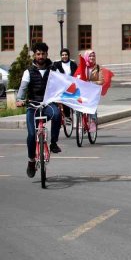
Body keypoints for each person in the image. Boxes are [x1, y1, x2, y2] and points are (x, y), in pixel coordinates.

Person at [16, 42, 63, 178]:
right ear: (34, 55)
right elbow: (23, 88)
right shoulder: (28, 71)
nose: (41, 56)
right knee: (31, 135)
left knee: (57, 114)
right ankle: (31, 160)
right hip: (33, 105)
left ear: (47, 54)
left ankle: (53, 142)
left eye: (43, 53)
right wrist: (19, 99)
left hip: (48, 103)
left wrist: (61, 99)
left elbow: (62, 85)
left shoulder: (54, 69)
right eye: (38, 54)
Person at [52, 48, 78, 123]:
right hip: (59, 85)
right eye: (62, 55)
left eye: (66, 54)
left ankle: (67, 116)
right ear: (61, 56)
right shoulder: (56, 64)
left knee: (66, 99)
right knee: (56, 100)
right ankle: (57, 116)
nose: (64, 56)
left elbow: (76, 75)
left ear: (68, 55)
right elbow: (53, 74)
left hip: (70, 85)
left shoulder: (73, 64)